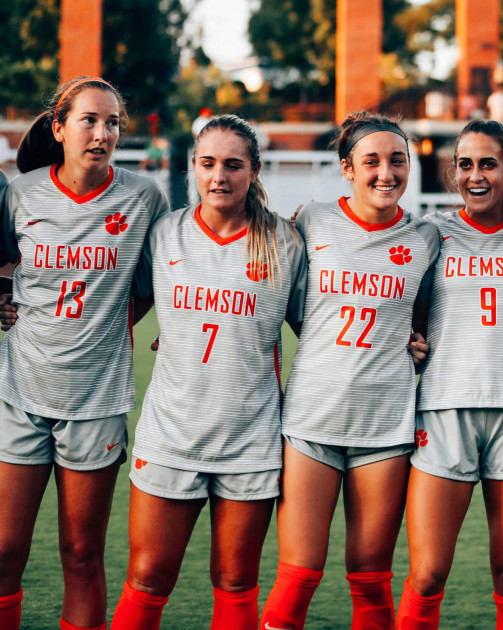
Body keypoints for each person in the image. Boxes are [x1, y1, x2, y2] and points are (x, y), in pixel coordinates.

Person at [108, 115, 306, 630]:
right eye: (208, 163)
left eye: (234, 165)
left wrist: (410, 338)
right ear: (193, 168)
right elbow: (116, 309)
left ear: (255, 170)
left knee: (236, 581)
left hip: (251, 439)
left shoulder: (285, 242)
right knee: (148, 576)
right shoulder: (165, 234)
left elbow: (321, 327)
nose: (220, 176)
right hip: (171, 433)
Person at [0, 77, 169, 630]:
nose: (103, 133)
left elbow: (152, 283)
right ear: (59, 128)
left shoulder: (144, 197)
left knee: (80, 554)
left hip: (96, 400)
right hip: (19, 393)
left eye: (113, 122)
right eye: (90, 120)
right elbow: (3, 266)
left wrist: (110, 324)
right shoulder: (21, 193)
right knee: (3, 552)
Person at [259, 112, 439, 630]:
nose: (386, 173)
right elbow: (284, 303)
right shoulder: (311, 221)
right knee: (297, 576)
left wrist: (416, 341)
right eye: (372, 161)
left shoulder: (425, 237)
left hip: (384, 426)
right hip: (312, 418)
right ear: (346, 168)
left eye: (397, 161)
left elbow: (425, 317)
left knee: (370, 579)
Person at [396, 120, 503, 629]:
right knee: (426, 574)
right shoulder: (430, 231)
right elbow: (391, 295)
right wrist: (409, 338)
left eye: (488, 163)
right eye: (465, 164)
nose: (475, 175)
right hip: (444, 409)